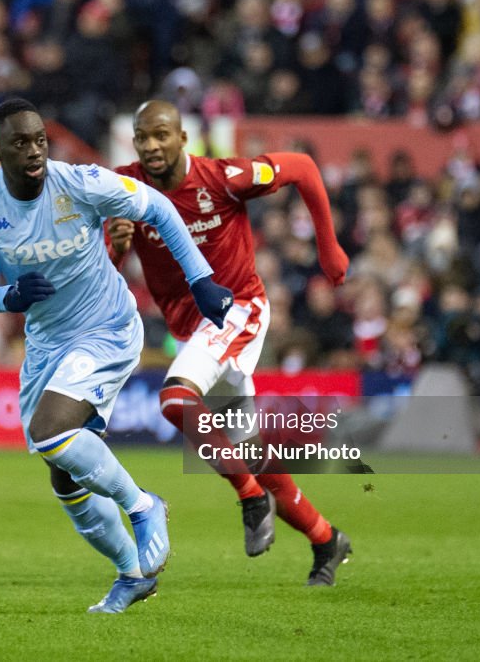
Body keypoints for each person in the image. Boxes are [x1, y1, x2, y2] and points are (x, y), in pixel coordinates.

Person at [0, 98, 234, 613]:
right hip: (46, 344)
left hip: (106, 327)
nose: (35, 150)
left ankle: (145, 505)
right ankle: (133, 574)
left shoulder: (79, 182)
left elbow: (159, 207)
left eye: (39, 139)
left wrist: (201, 280)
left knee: (50, 431)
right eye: (20, 143)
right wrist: (7, 298)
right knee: (64, 474)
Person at [107, 100, 352, 586]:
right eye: (142, 138)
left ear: (183, 139)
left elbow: (301, 167)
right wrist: (115, 248)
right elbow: (106, 276)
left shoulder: (223, 178)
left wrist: (329, 246)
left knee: (175, 399)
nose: (152, 146)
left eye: (161, 135)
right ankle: (327, 539)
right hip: (192, 329)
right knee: (253, 454)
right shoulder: (124, 189)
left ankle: (247, 496)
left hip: (238, 309)